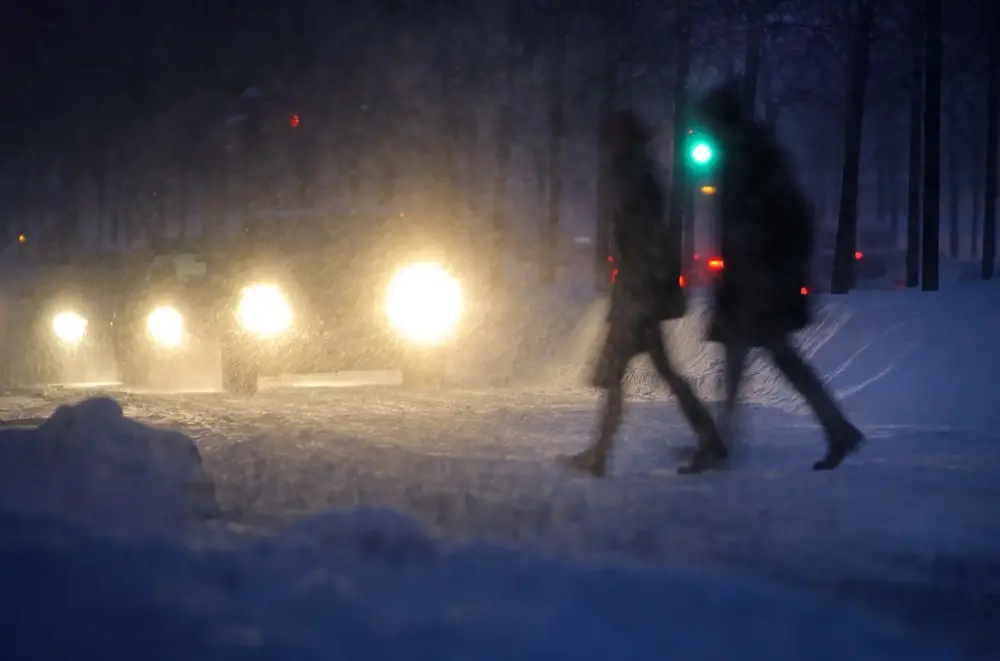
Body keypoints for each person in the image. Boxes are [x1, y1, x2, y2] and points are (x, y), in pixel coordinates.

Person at [685, 84, 865, 475]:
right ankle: (835, 428)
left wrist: (747, 264)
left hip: (755, 277)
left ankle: (723, 444)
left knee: (752, 358)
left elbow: (749, 219)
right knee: (768, 357)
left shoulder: (744, 155)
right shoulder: (754, 151)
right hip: (759, 274)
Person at [563, 110, 727, 477]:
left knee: (622, 372)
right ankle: (706, 439)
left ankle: (600, 454)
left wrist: (635, 287)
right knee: (655, 372)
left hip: (638, 293)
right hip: (642, 290)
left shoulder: (633, 177)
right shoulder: (641, 174)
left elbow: (640, 237)